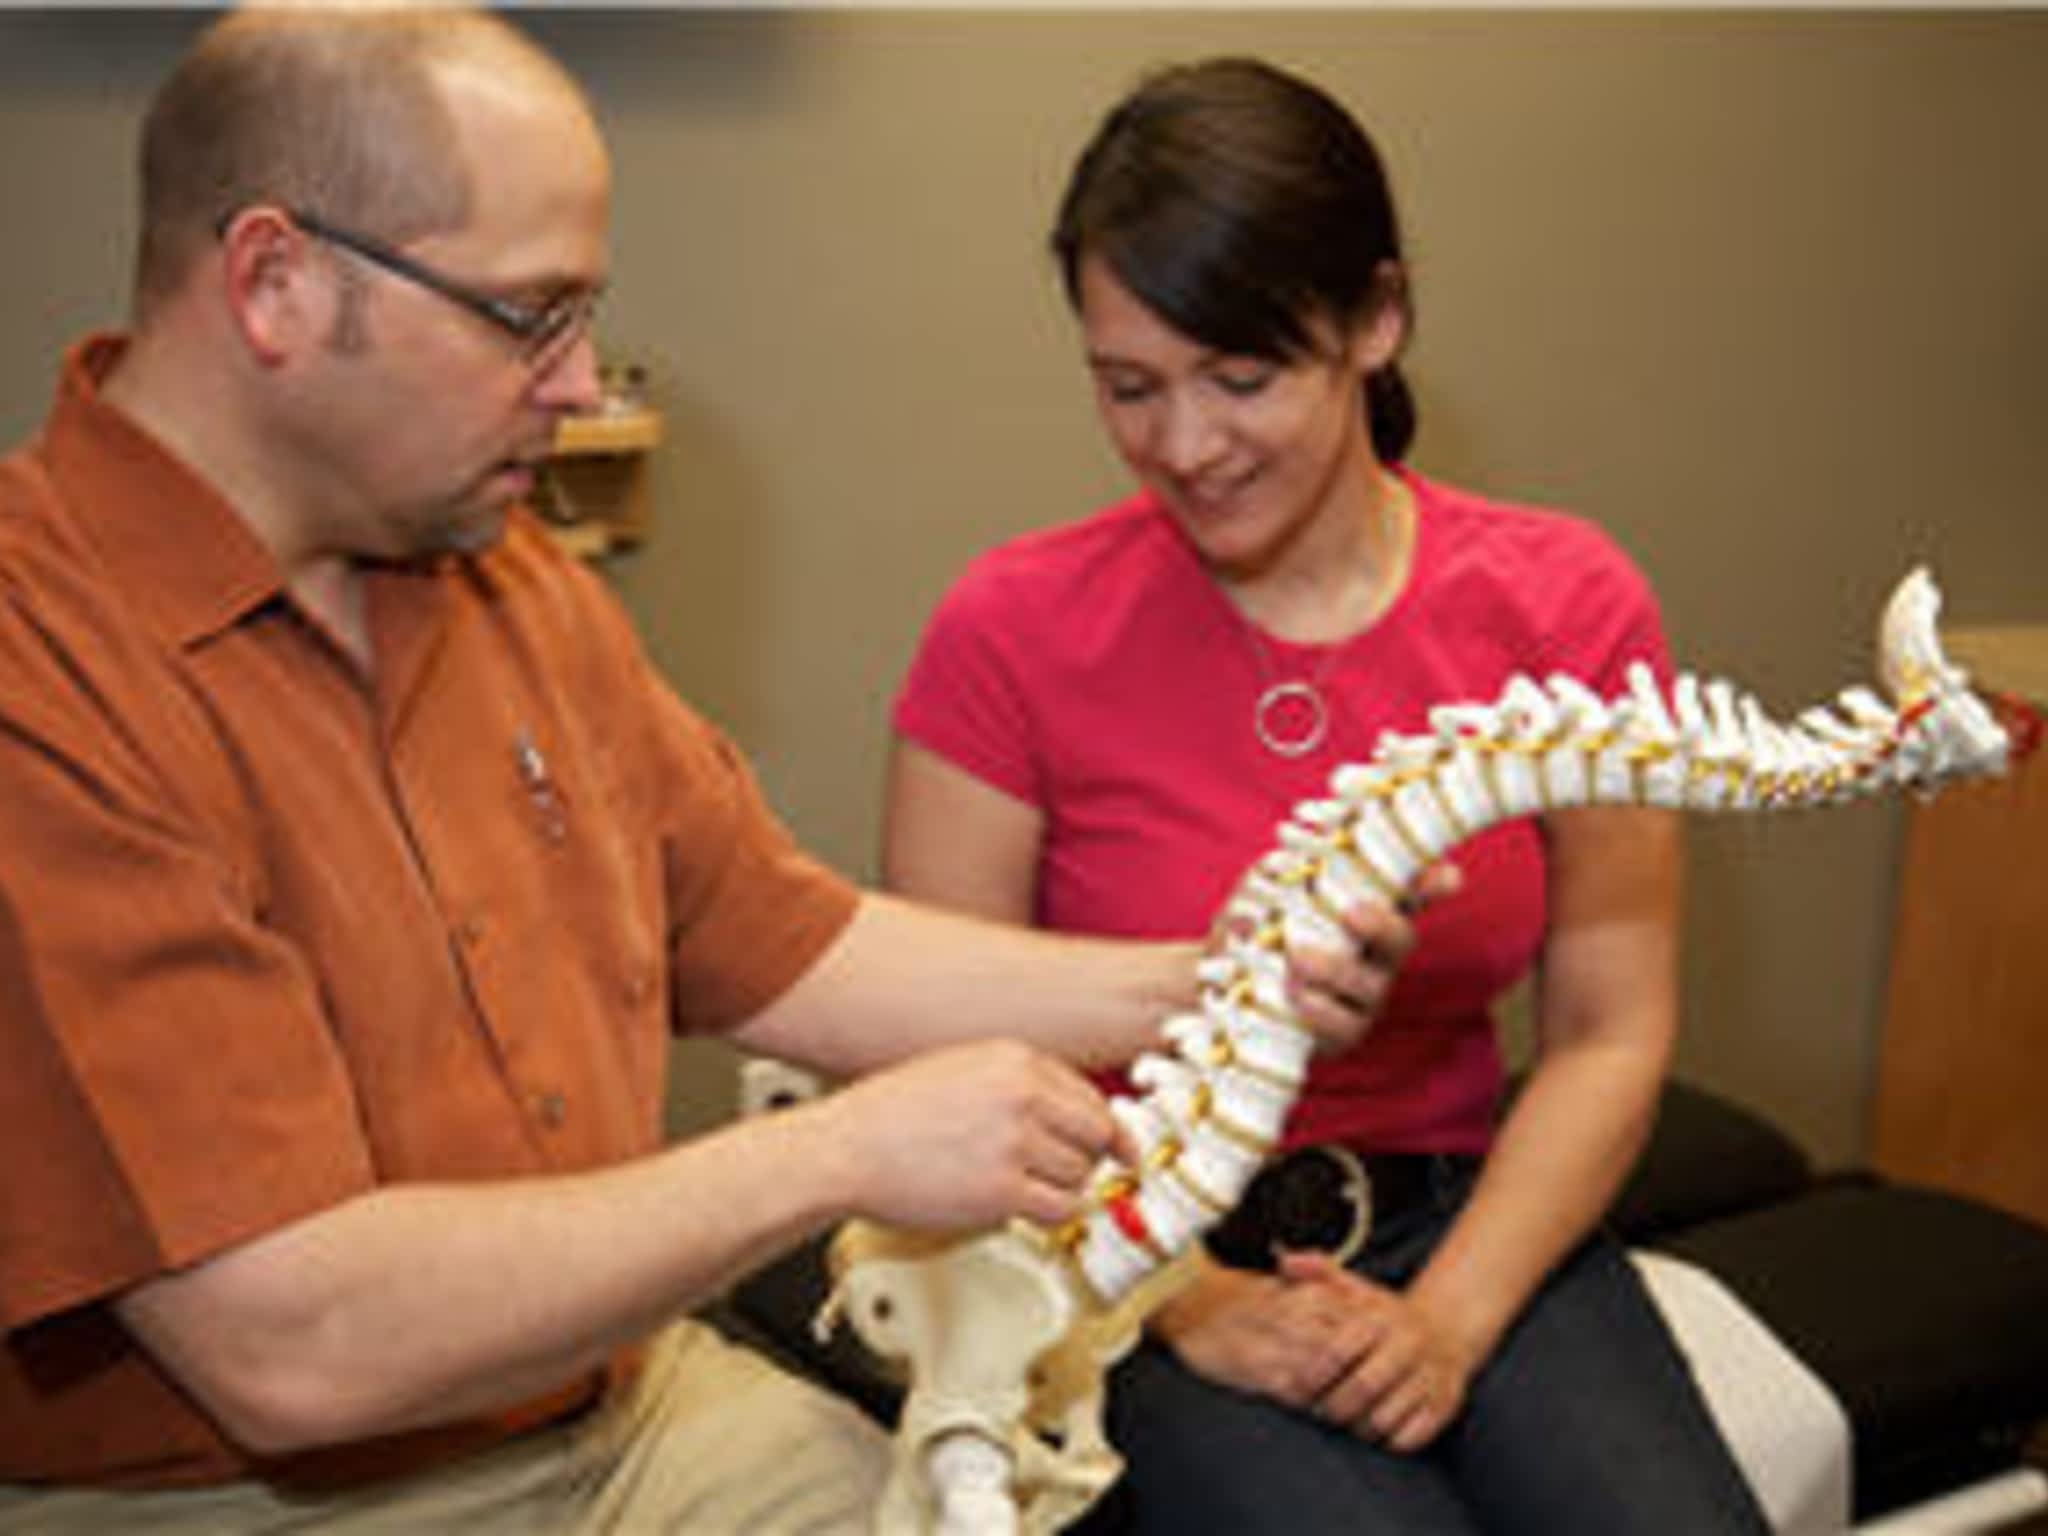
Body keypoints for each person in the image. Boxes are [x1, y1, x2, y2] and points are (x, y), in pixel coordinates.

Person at [0, 18, 1400, 1532]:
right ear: (274, 284)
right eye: (526, 317)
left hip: (622, 1408)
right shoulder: (44, 674)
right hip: (252, 1495)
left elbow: (784, 940)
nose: (580, 383)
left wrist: (1210, 980)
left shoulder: (504, 584)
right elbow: (293, 1348)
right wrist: (838, 1153)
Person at [885, 57, 1770, 1534]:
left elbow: (1615, 1025)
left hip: (1460, 1218)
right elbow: (933, 1047)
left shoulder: (1562, 605)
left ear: (1377, 319)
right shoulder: (1012, 630)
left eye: (1242, 380)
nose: (1184, 447)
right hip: (1127, 1246)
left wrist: (1458, 1313)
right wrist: (1183, 1303)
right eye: (1129, 387)